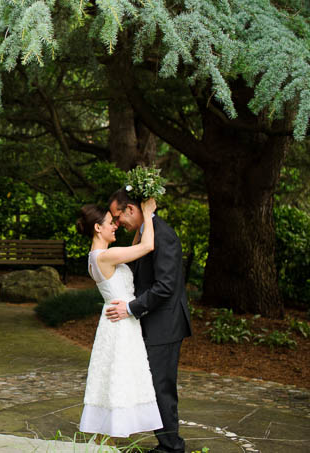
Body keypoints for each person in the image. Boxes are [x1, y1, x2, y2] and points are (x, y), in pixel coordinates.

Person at [105, 189, 192, 453]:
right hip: (152, 321)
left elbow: (165, 286)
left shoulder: (162, 235)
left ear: (131, 209)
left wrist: (130, 308)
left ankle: (172, 447)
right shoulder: (145, 232)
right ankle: (166, 442)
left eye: (117, 217)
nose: (117, 223)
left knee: (161, 386)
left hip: (165, 324)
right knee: (154, 384)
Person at [77, 199, 163, 438]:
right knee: (119, 377)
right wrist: (147, 213)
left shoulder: (97, 257)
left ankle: (108, 439)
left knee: (114, 377)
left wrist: (138, 225)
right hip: (120, 325)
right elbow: (147, 246)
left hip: (116, 323)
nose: (115, 226)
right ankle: (110, 438)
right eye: (110, 223)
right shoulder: (106, 256)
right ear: (97, 228)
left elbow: (135, 246)